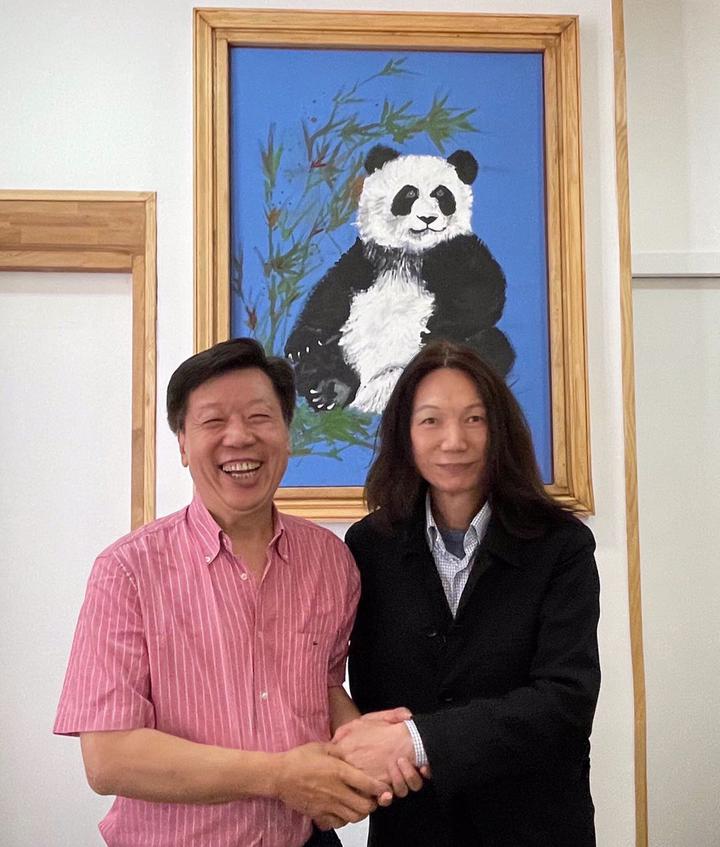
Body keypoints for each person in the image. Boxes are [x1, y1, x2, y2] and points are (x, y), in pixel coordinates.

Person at [54, 338, 392, 847]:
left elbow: (320, 687)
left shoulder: (331, 561)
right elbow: (108, 758)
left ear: (287, 434)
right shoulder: (127, 571)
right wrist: (279, 776)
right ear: (182, 444)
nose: (240, 437)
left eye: (260, 417)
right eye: (213, 421)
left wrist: (369, 743)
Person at [333, 340, 601, 846]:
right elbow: (373, 693)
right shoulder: (369, 546)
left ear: (499, 430)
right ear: (405, 434)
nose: (453, 441)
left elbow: (565, 702)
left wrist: (421, 742)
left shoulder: (561, 546)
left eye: (474, 419)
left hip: (532, 825)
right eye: (430, 421)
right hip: (413, 826)